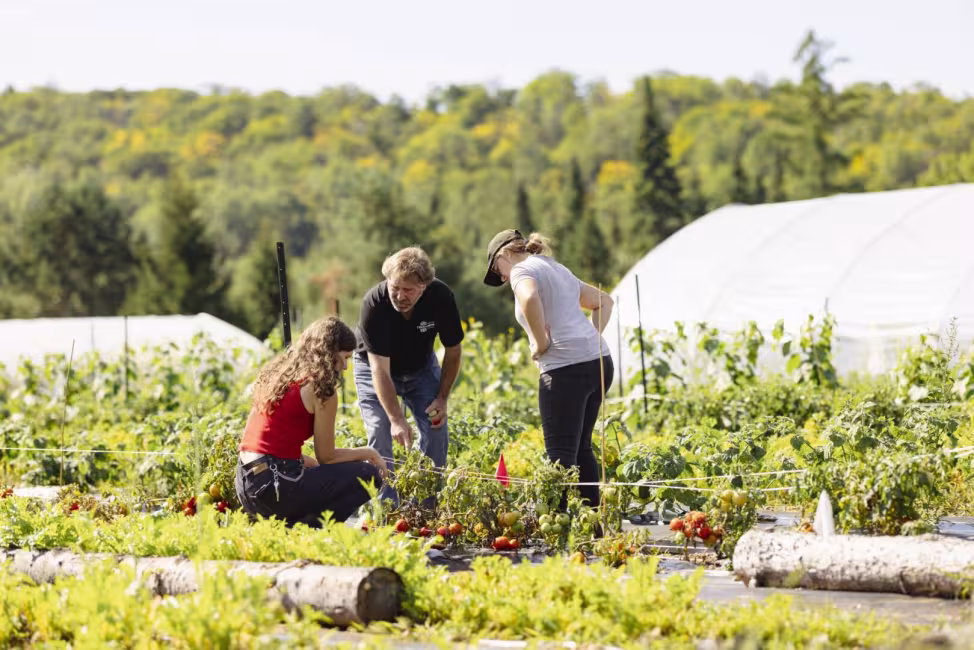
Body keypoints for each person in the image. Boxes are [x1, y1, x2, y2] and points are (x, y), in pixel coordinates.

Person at [483, 229, 614, 510]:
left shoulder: (521, 271)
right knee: (581, 449)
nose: (503, 278)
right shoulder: (556, 268)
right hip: (599, 362)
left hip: (565, 369)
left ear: (505, 254)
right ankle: (594, 527)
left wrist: (540, 343)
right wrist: (587, 340)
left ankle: (558, 530)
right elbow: (604, 301)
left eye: (498, 270)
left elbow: (529, 299)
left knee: (560, 455)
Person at [235, 316, 385, 528]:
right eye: (344, 357)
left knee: (314, 469)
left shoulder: (278, 376)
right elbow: (327, 456)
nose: (344, 367)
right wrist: (370, 453)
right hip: (274, 488)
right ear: (328, 353)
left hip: (247, 483)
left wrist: (307, 464)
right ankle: (311, 529)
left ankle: (291, 527)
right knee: (367, 474)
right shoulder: (321, 389)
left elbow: (269, 443)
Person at [354, 246, 464, 505]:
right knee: (381, 429)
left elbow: (453, 350)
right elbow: (380, 370)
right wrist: (395, 418)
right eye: (395, 287)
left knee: (436, 427)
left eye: (409, 290)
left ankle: (425, 504)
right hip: (375, 368)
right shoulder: (374, 304)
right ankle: (386, 506)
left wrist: (442, 398)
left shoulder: (441, 297)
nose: (400, 295)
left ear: (424, 286)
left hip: (420, 367)